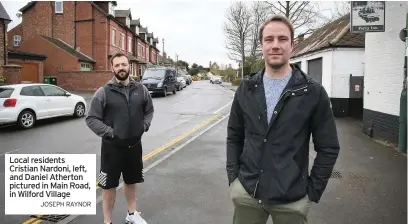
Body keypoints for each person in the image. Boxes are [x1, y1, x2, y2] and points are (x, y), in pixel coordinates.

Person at [226, 14, 340, 224]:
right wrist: (234, 180)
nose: (275, 45)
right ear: (262, 45)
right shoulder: (246, 89)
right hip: (248, 193)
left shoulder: (312, 92)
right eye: (269, 40)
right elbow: (234, 136)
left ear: (292, 45)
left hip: (292, 200)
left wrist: (312, 193)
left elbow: (329, 147)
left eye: (282, 39)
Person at [86, 52, 154, 224]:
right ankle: (107, 221)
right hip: (111, 149)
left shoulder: (141, 89)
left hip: (134, 146)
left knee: (131, 181)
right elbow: (92, 119)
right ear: (112, 68)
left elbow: (149, 110)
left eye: (124, 64)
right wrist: (110, 132)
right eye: (117, 65)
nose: (121, 68)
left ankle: (131, 214)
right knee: (108, 186)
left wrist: (144, 126)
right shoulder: (103, 92)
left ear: (128, 66)